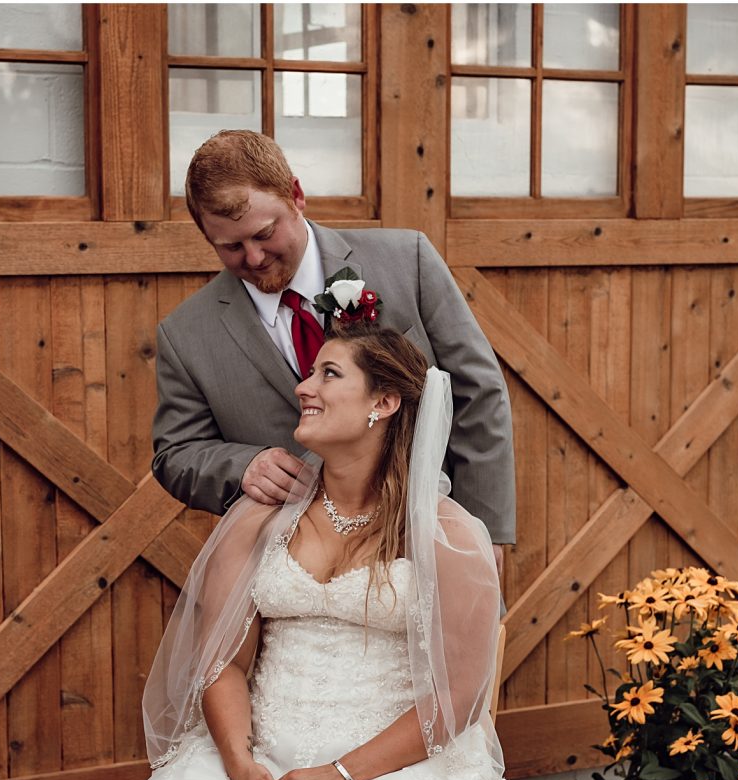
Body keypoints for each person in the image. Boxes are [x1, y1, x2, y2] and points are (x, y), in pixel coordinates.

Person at [6, 316, 570, 780]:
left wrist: (345, 775)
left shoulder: (449, 534)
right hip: (260, 753)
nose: (305, 388)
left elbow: (459, 696)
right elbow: (223, 660)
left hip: (393, 764)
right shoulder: (260, 517)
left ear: (384, 403)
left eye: (329, 375)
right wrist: (241, 763)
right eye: (309, 373)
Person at [151, 129, 515, 573]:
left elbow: (479, 392)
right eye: (229, 247)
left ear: (296, 195)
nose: (254, 257)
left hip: (424, 546)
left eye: (265, 233)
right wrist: (242, 465)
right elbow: (175, 454)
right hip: (288, 570)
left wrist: (485, 528)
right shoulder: (186, 334)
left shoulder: (408, 261)